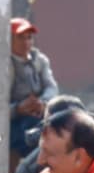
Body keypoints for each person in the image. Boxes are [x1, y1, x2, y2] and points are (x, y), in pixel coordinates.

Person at [7, 18, 59, 158]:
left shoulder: (39, 60)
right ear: (9, 40)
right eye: (20, 38)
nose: (26, 42)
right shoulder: (6, 65)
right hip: (16, 122)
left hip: (39, 113)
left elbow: (51, 88)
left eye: (29, 38)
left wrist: (42, 103)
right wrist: (18, 108)